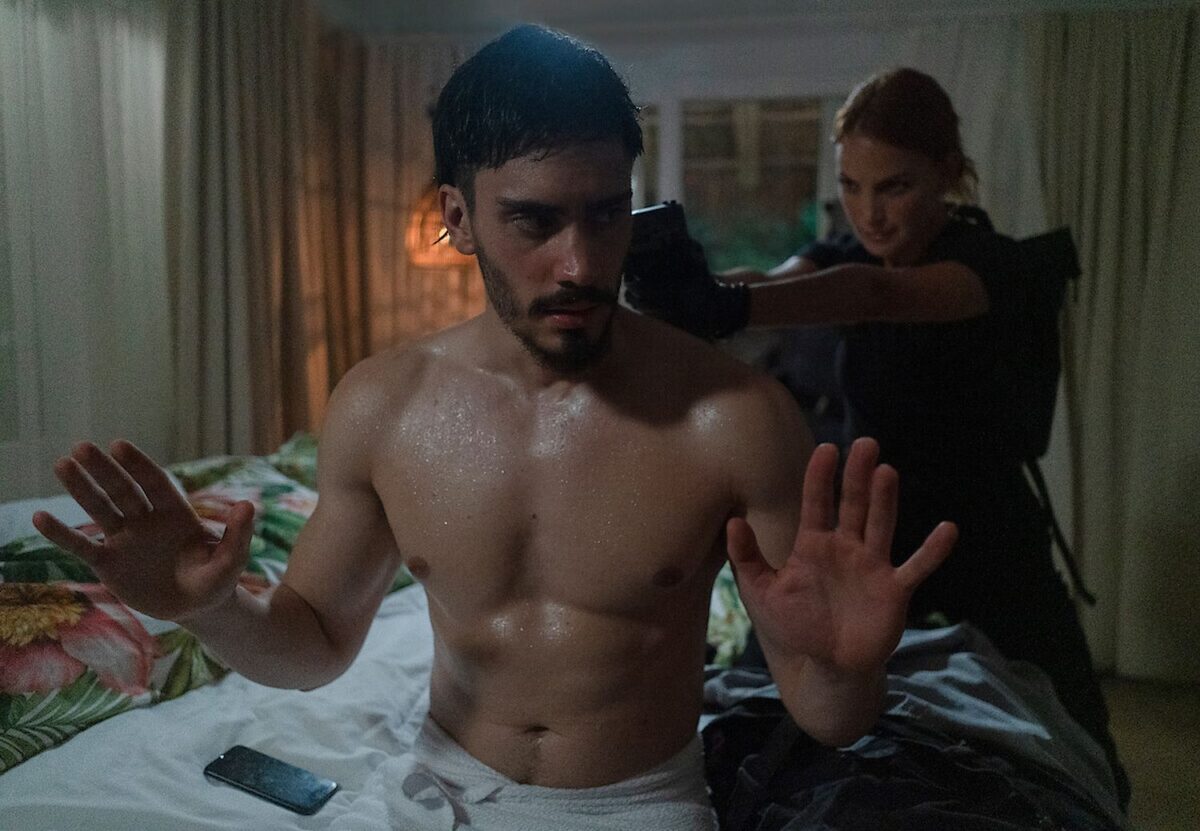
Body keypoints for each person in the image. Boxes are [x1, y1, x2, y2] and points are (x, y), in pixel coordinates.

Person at [624, 66, 1129, 807]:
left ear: (948, 173)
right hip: (869, 524)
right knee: (780, 702)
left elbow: (876, 294)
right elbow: (772, 279)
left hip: (983, 531)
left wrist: (724, 307)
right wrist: (674, 295)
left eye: (894, 187)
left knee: (1078, 740)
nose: (870, 213)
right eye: (852, 186)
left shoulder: (992, 265)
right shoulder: (840, 253)